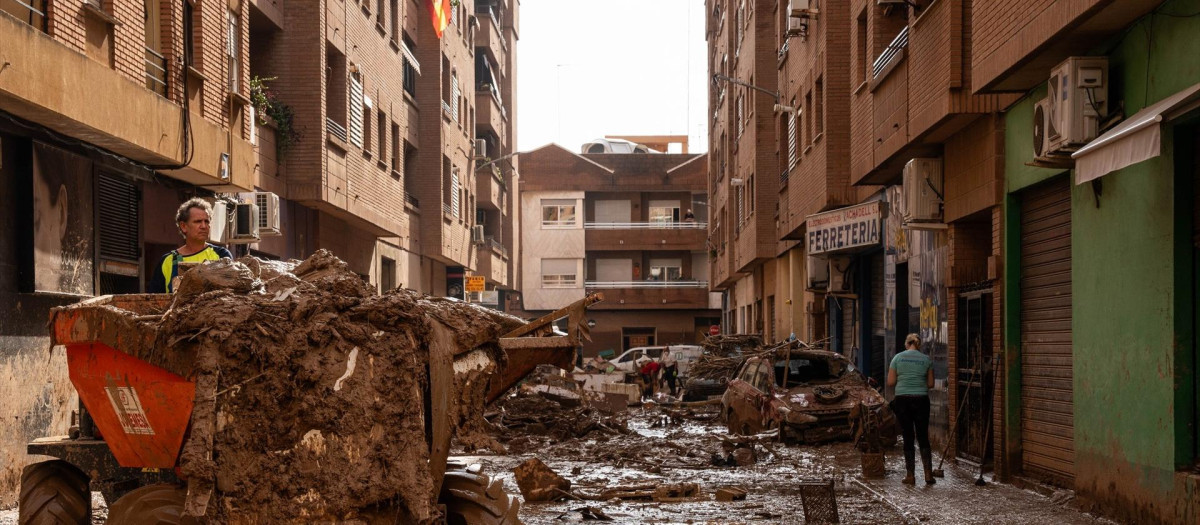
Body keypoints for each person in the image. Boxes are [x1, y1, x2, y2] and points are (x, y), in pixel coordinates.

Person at [151, 198, 233, 293]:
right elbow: (155, 300)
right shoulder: (168, 261)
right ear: (183, 226)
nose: (204, 226)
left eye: (206, 221)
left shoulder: (221, 255)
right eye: (198, 221)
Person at [887, 333, 935, 485]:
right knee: (922, 436)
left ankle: (910, 476)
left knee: (908, 436)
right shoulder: (926, 359)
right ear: (918, 345)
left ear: (907, 344)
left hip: (903, 400)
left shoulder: (897, 358)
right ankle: (928, 475)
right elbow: (931, 384)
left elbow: (890, 381)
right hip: (921, 400)